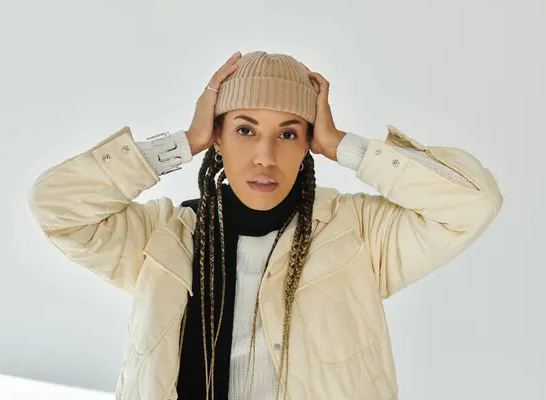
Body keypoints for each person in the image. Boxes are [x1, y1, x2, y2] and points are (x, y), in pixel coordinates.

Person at [27, 51, 503, 400]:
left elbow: (472, 202)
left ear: (307, 144)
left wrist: (342, 144)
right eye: (244, 129)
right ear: (217, 136)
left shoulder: (358, 234)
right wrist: (183, 142)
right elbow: (55, 206)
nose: (265, 156)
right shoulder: (165, 238)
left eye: (289, 134)